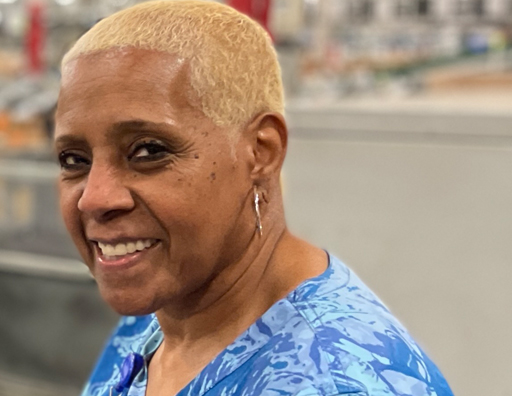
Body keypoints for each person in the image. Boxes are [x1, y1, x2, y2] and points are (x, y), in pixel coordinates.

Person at [53, 1, 454, 395]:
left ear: (261, 151)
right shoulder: (160, 314)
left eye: (148, 151)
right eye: (74, 160)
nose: (94, 198)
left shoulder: (336, 379)